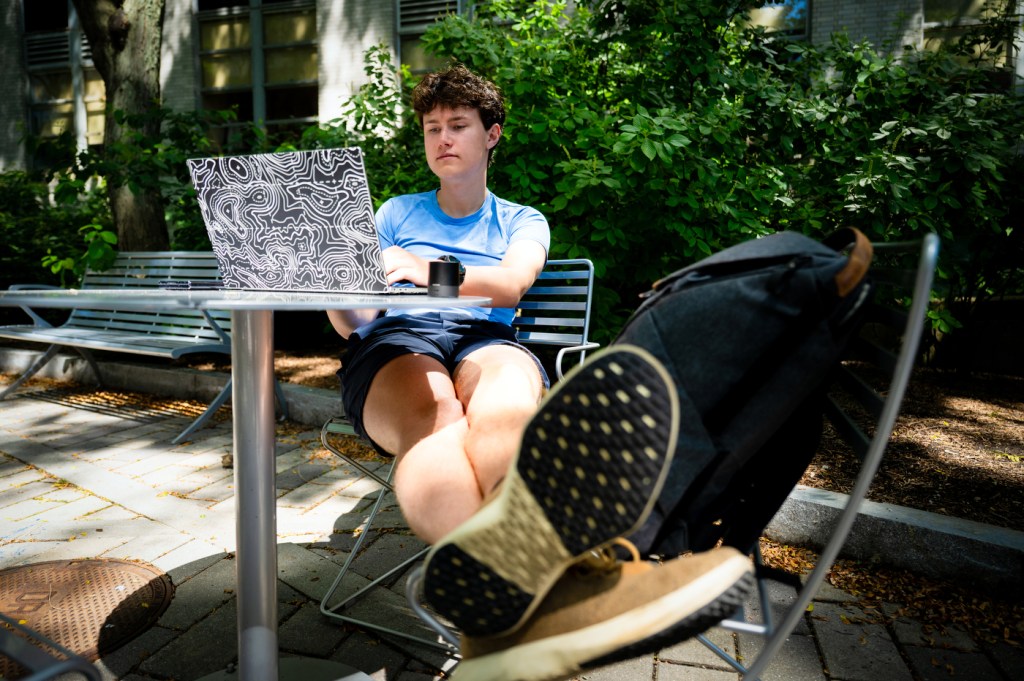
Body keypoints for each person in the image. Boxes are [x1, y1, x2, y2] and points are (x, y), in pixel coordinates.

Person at [327, 64, 550, 545]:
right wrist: (333, 286)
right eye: (433, 129)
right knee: (438, 415)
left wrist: (426, 270)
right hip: (400, 339)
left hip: (484, 339)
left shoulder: (522, 220)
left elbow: (511, 285)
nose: (442, 138)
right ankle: (493, 565)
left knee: (503, 413)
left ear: (491, 135)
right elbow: (357, 323)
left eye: (457, 125)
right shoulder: (395, 212)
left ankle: (515, 551)